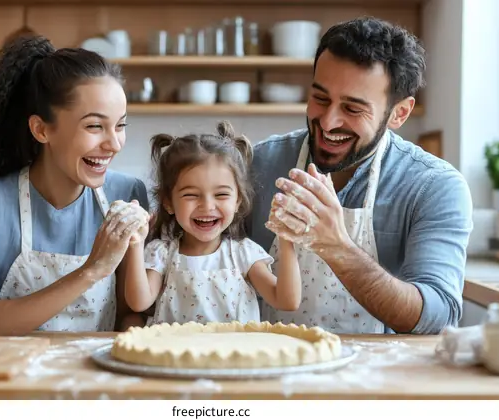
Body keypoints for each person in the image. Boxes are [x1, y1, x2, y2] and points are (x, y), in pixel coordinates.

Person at [245, 16, 473, 335]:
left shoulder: (433, 187)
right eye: (320, 98)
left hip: (377, 380)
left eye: (353, 109)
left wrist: (336, 246)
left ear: (399, 113)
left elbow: (439, 316)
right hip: (267, 368)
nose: (327, 123)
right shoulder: (258, 164)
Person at [0, 35, 150, 336]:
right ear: (42, 129)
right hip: (8, 376)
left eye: (121, 125)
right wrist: (91, 271)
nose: (113, 144)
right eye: (94, 126)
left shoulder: (127, 195)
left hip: (97, 375)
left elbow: (130, 313)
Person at [122, 121, 302, 325]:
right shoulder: (161, 253)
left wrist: (286, 240)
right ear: (169, 203)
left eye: (221, 194)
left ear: (238, 201)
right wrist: (136, 243)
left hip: (233, 356)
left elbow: (287, 301)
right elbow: (139, 302)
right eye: (191, 195)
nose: (207, 206)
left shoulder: (244, 254)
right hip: (175, 355)